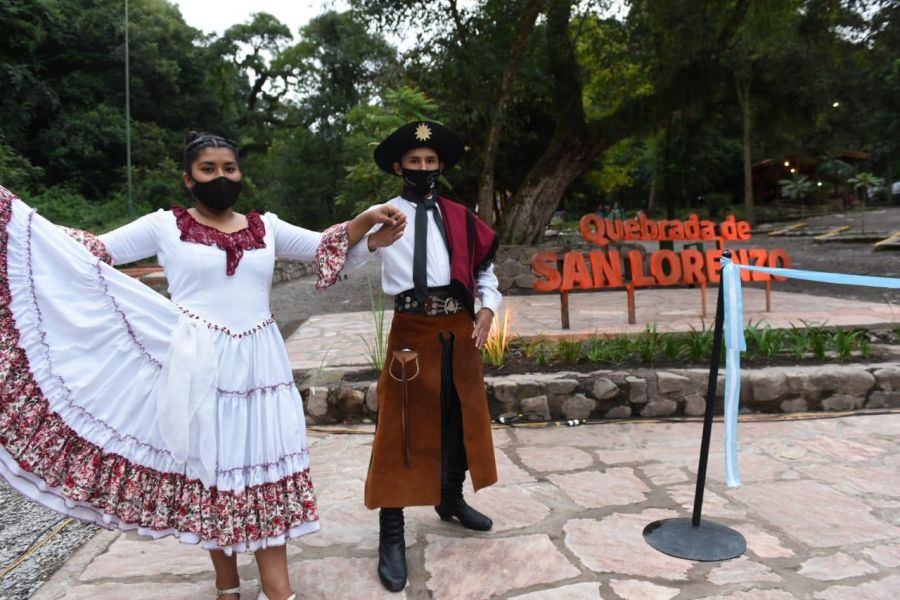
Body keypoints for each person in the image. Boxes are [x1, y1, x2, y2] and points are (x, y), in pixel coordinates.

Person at [0, 132, 406, 600]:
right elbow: (88, 252)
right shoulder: (162, 226)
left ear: (241, 173)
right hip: (196, 364)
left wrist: (367, 225)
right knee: (215, 471)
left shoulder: (266, 228)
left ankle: (279, 591)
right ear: (188, 179)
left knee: (263, 469)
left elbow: (323, 246)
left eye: (229, 168)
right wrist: (18, 228)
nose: (220, 177)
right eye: (208, 170)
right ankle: (227, 586)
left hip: (262, 368)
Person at [364, 121, 501, 592]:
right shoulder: (381, 217)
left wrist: (487, 309)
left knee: (457, 416)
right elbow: (344, 263)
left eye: (430, 162)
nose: (422, 168)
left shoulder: (461, 218)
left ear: (440, 165)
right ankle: (392, 533)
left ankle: (450, 498)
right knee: (400, 428)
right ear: (398, 166)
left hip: (459, 330)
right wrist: (371, 241)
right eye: (413, 162)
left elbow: (486, 272)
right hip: (412, 328)